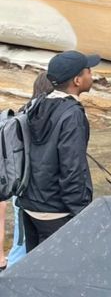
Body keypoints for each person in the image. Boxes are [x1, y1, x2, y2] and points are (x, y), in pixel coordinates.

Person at [18, 50, 99, 251]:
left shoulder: (38, 104)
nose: (92, 75)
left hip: (31, 206)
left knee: (36, 272)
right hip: (56, 213)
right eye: (88, 71)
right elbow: (72, 168)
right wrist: (81, 213)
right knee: (61, 276)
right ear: (77, 81)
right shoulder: (72, 115)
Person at [4, 72, 53, 268]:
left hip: (21, 188)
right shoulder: (34, 117)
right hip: (29, 192)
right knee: (20, 247)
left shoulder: (25, 112)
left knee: (22, 242)